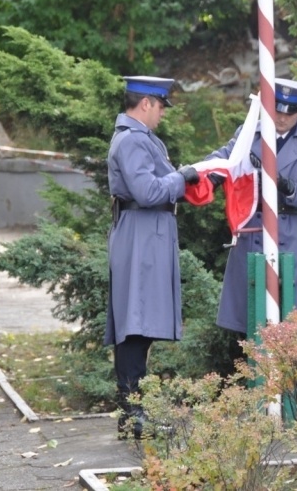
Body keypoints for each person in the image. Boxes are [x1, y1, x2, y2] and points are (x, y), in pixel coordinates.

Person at [105, 75, 199, 439]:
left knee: (139, 328)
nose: (161, 114)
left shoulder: (143, 139)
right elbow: (146, 191)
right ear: (146, 103)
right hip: (140, 234)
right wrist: (182, 177)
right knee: (134, 327)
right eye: (160, 106)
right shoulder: (132, 141)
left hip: (146, 234)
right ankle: (133, 414)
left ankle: (134, 414)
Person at [206, 78, 297, 337]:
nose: (282, 118)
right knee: (251, 316)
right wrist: (203, 173)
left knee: (293, 320)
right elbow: (225, 157)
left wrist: (286, 186)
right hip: (254, 226)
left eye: (290, 112)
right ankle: (251, 371)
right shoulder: (249, 132)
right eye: (277, 110)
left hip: (291, 229)